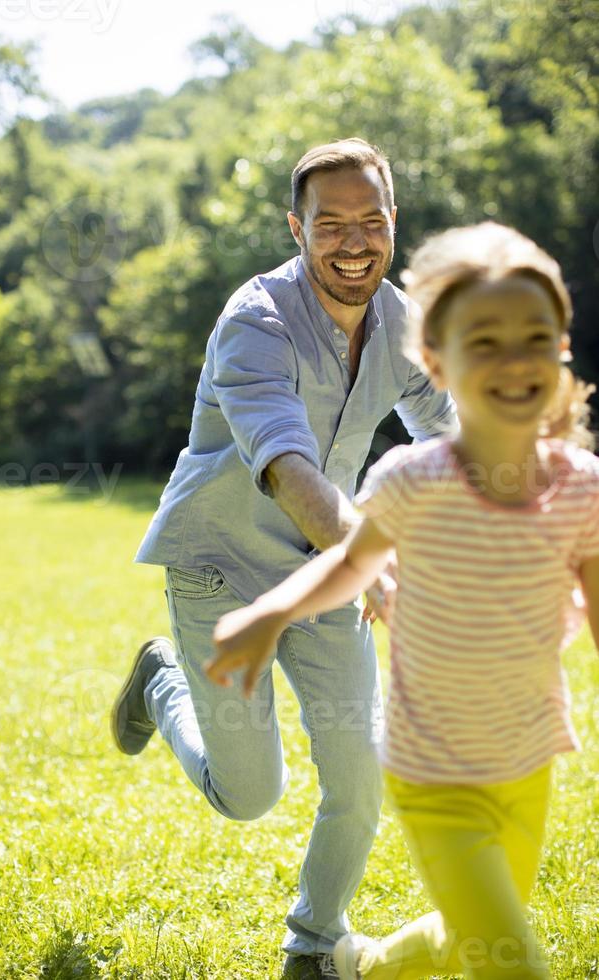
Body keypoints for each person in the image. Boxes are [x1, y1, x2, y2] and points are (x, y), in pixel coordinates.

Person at [206, 222, 599, 980]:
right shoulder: (415, 479)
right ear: (436, 362)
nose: (513, 359)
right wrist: (270, 613)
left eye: (534, 338)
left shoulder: (582, 486)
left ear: (561, 351)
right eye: (484, 340)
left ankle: (365, 966)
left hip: (528, 759)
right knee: (511, 958)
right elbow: (351, 569)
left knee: (474, 932)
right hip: (434, 770)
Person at [111, 137, 456, 980]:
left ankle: (312, 941)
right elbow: (288, 469)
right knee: (249, 795)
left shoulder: (400, 321)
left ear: (393, 224)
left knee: (361, 771)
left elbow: (451, 431)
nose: (352, 241)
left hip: (326, 569)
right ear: (295, 227)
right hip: (222, 565)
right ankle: (161, 682)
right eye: (329, 222)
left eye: (369, 221)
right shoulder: (255, 322)